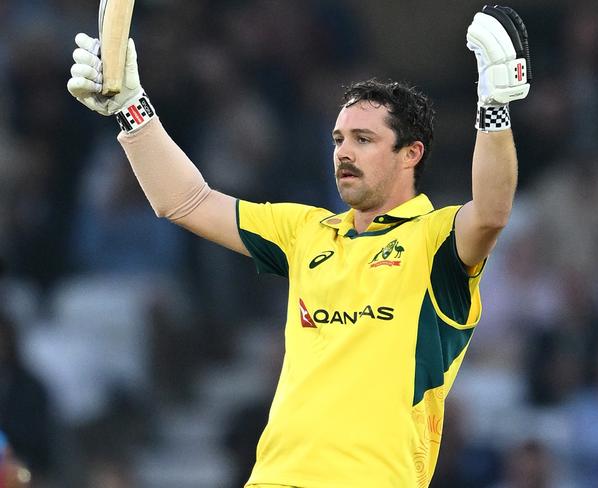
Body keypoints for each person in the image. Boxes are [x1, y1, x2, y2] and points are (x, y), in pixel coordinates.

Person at [67, 5, 531, 487]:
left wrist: (494, 106)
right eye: (338, 139)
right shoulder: (306, 230)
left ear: (410, 153)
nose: (343, 152)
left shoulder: (434, 239)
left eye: (363, 139)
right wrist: (131, 109)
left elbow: (493, 212)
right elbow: (184, 201)